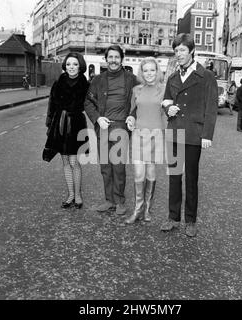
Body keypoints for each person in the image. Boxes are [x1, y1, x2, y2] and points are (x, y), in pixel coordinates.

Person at [160, 33, 218, 237]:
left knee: (191, 178)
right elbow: (166, 100)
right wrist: (169, 110)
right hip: (174, 132)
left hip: (194, 133)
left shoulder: (207, 76)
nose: (179, 54)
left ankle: (190, 220)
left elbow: (211, 107)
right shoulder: (173, 77)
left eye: (182, 50)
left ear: (192, 51)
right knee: (174, 176)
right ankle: (173, 217)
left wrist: (207, 134)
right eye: (176, 51)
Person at [84, 45, 138, 216]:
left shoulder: (132, 79)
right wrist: (97, 118)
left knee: (119, 167)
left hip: (121, 127)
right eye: (110, 57)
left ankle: (120, 200)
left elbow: (141, 101)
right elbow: (88, 102)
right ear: (106, 59)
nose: (113, 60)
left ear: (122, 59)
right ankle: (109, 200)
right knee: (105, 166)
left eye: (117, 57)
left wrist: (133, 116)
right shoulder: (97, 80)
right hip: (103, 127)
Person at [124, 57, 166, 224]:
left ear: (157, 72)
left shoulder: (164, 90)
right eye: (145, 70)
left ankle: (147, 208)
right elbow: (133, 111)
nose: (149, 73)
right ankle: (137, 209)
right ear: (141, 72)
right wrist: (130, 119)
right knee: (138, 173)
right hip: (139, 134)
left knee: (150, 172)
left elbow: (167, 112)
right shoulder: (136, 90)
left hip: (156, 134)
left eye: (152, 70)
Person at [45, 52, 89, 209]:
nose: (71, 67)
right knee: (65, 161)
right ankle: (70, 194)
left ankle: (78, 195)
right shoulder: (58, 83)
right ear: (65, 66)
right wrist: (50, 125)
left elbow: (91, 104)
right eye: (69, 64)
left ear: (80, 66)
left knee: (74, 161)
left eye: (75, 64)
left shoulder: (85, 84)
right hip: (60, 124)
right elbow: (52, 104)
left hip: (76, 124)